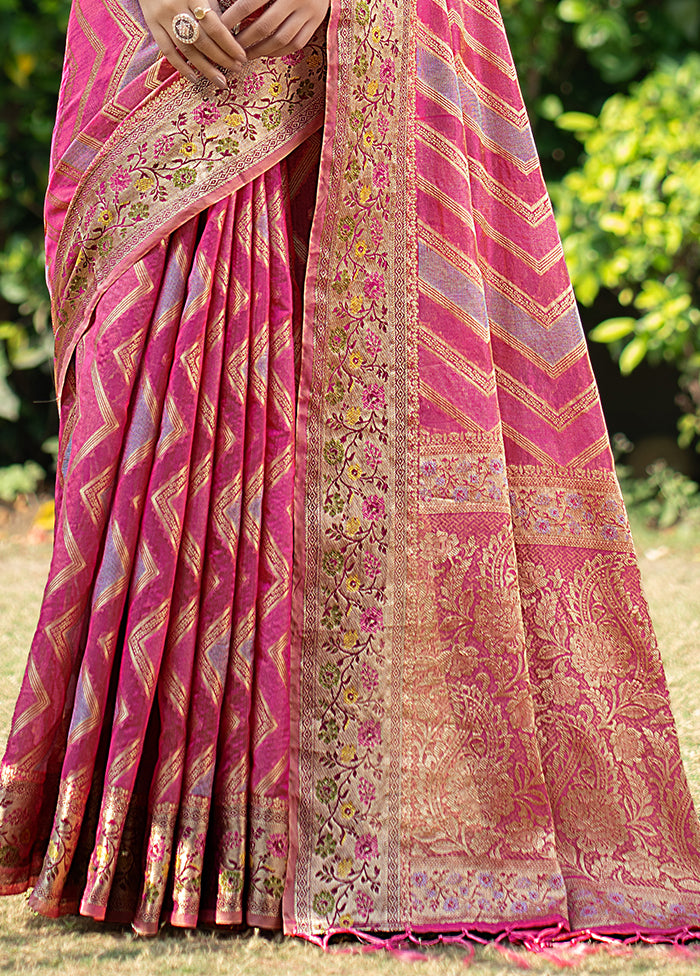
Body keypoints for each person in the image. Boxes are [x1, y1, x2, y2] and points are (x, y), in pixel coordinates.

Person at [1, 0, 700, 947]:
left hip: (336, 45)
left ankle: (283, 848)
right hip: (140, 37)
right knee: (145, 360)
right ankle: (155, 835)